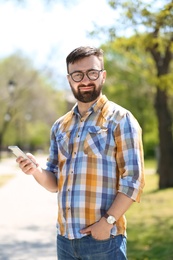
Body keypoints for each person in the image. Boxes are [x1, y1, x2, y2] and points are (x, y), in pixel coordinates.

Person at [17, 46, 145, 260]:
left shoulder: (121, 119)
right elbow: (54, 182)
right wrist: (36, 170)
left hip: (104, 242)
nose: (85, 80)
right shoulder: (60, 126)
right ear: (69, 79)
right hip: (65, 240)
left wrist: (107, 223)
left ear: (103, 76)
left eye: (92, 73)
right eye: (78, 74)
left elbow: (134, 180)